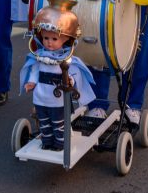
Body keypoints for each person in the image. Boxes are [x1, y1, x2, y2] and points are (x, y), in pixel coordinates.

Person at [20, 18, 95, 151]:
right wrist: (31, 82)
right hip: (40, 96)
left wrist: (70, 80)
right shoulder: (39, 56)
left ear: (65, 39)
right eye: (46, 38)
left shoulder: (65, 59)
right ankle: (47, 141)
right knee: (44, 122)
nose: (49, 42)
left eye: (54, 39)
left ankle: (60, 144)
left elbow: (71, 74)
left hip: (57, 99)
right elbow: (34, 71)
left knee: (58, 123)